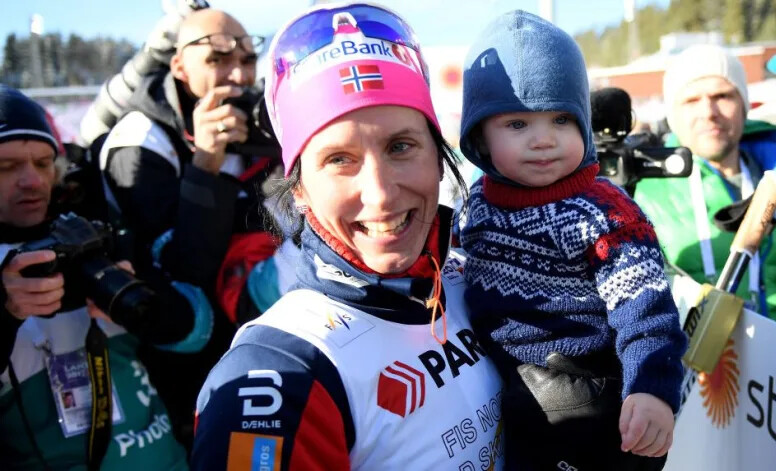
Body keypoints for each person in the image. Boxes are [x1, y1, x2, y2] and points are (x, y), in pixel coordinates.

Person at [192, 3, 505, 470]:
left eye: (401, 146)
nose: (380, 195)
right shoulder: (281, 369)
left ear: (439, 159)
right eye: (339, 159)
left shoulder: (480, 280)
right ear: (299, 189)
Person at [457, 11, 687, 470]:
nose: (543, 140)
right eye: (517, 124)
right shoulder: (477, 201)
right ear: (480, 136)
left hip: (585, 399)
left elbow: (647, 311)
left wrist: (652, 389)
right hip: (505, 389)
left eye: (561, 119)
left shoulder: (603, 212)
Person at [97, 8, 274, 444]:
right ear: (179, 65)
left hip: (263, 336)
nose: (238, 75)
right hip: (183, 369)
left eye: (248, 59)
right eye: (217, 59)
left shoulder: (256, 118)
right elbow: (182, 273)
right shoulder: (140, 142)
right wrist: (205, 167)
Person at [0, 85, 191, 470]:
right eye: (6, 167)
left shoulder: (93, 235)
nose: (33, 181)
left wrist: (142, 297)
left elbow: (196, 332)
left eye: (43, 163)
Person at [633, 44, 776, 345]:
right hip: (710, 369)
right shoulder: (643, 198)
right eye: (691, 100)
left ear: (744, 105)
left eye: (722, 96)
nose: (709, 113)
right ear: (673, 115)